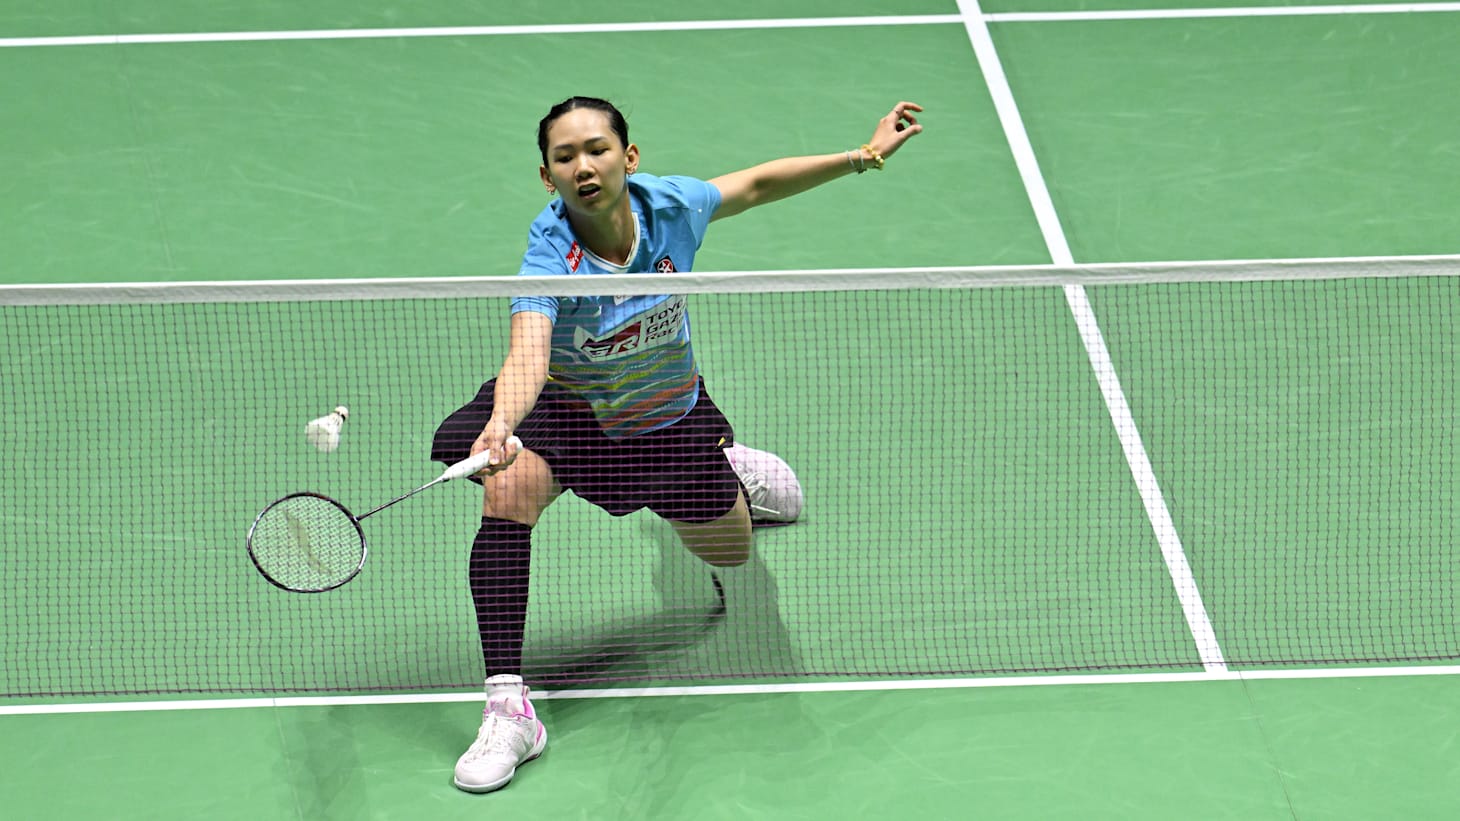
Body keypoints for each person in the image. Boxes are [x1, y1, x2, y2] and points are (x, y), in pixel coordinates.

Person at [431, 96, 924, 794]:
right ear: (547, 176)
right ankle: (508, 709)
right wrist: (502, 422)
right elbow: (528, 355)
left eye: (597, 149)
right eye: (565, 157)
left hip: (666, 418)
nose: (583, 166)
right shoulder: (549, 258)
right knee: (508, 490)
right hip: (571, 413)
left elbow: (755, 184)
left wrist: (862, 156)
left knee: (729, 552)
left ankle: (729, 468)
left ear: (628, 158)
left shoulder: (671, 207)